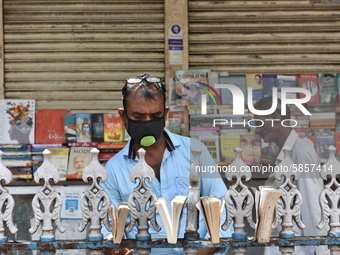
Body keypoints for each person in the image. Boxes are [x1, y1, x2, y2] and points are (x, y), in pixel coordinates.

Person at [102, 73, 233, 255]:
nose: (147, 122)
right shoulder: (113, 169)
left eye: (155, 115)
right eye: (138, 116)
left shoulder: (195, 151)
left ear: (166, 114)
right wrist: (113, 246)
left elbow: (222, 210)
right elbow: (108, 227)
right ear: (123, 116)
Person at [253, 97, 328, 255]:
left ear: (274, 117)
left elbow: (313, 210)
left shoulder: (301, 153)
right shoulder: (282, 154)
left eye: (259, 123)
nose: (257, 130)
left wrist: (320, 251)